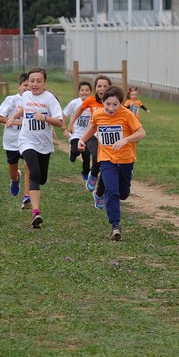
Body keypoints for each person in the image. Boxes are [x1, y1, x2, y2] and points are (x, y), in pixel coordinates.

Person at [78, 86, 146, 241]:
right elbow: (93, 127)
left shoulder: (127, 114)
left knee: (123, 194)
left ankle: (102, 194)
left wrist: (125, 140)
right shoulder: (98, 114)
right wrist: (82, 140)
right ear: (103, 102)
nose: (111, 108)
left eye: (115, 104)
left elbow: (141, 133)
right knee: (112, 190)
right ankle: (115, 225)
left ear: (121, 103)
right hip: (107, 158)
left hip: (126, 159)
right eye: (108, 104)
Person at [6, 67, 63, 228]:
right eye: (32, 81)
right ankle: (36, 212)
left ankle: (35, 201)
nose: (34, 84)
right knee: (34, 172)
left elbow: (59, 122)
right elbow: (25, 108)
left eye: (39, 81)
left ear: (44, 82)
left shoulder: (49, 98)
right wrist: (13, 117)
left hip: (44, 144)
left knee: (41, 178)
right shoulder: (26, 95)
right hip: (26, 140)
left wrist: (44, 118)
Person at [68, 75, 112, 192]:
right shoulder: (90, 100)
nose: (102, 89)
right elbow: (80, 109)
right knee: (96, 156)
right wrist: (72, 122)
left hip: (108, 136)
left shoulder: (113, 102)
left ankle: (100, 191)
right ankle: (93, 175)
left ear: (110, 88)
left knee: (106, 163)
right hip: (93, 134)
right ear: (95, 88)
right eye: (99, 86)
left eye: (105, 86)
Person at [0, 73, 31, 204]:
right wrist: (15, 122)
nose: (27, 88)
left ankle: (27, 195)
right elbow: (0, 118)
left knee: (28, 165)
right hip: (11, 141)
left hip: (28, 140)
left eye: (29, 86)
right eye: (25, 85)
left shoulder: (34, 101)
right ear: (19, 86)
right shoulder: (12, 100)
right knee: (12, 171)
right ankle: (15, 179)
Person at [62, 81, 93, 181]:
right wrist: (65, 129)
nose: (84, 92)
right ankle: (72, 154)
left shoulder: (93, 103)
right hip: (75, 134)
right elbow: (64, 114)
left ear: (90, 92)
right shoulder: (74, 103)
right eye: (82, 90)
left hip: (87, 135)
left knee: (86, 155)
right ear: (79, 92)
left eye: (87, 90)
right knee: (76, 151)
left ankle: (85, 172)